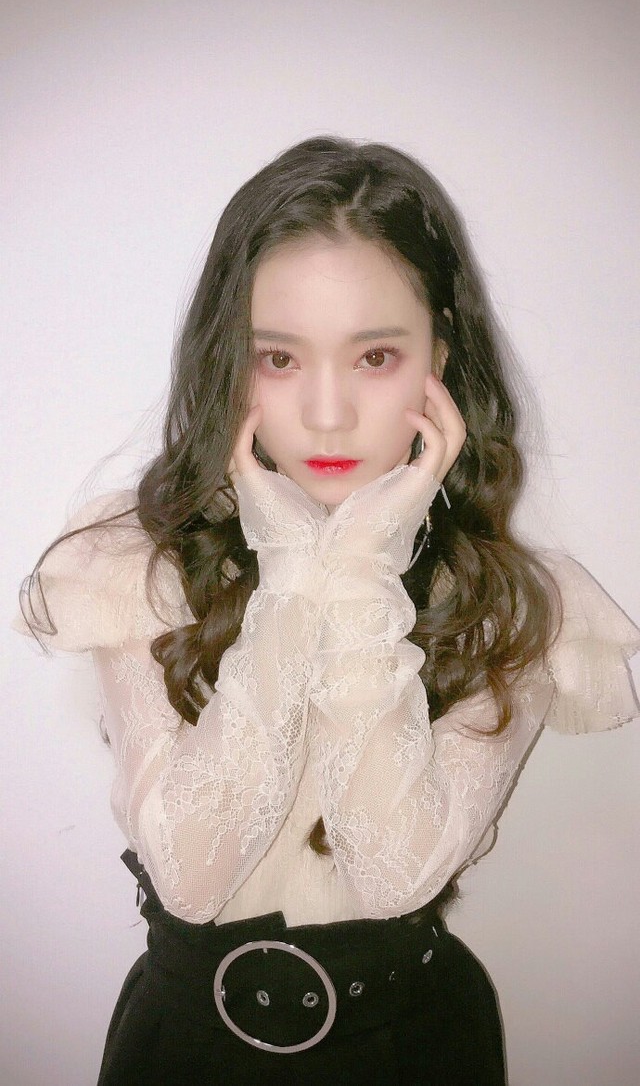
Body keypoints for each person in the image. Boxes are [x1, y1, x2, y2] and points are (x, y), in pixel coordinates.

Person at [15, 137, 639, 1086]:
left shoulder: (512, 604)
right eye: (278, 357)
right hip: (183, 1052)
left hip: (414, 1050)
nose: (328, 412)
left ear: (440, 355)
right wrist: (290, 580)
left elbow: (393, 875)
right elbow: (191, 877)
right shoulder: (138, 563)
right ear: (229, 362)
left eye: (375, 355)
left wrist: (357, 571)